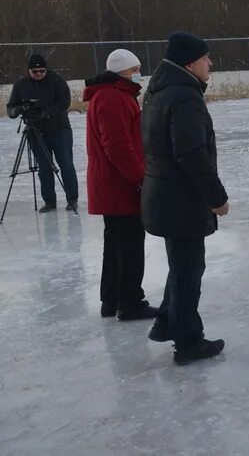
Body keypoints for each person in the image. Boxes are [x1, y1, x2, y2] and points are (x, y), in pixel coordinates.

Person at [142, 32, 229, 366]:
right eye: (206, 58)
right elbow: (192, 155)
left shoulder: (159, 91)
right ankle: (188, 340)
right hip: (180, 199)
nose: (211, 63)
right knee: (189, 268)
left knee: (181, 265)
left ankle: (168, 320)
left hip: (164, 196)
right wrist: (217, 198)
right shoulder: (184, 97)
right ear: (190, 63)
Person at [84, 49, 158, 321]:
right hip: (119, 186)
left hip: (114, 184)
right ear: (124, 71)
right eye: (135, 69)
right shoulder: (112, 97)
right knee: (128, 244)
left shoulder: (112, 94)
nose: (138, 73)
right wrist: (140, 179)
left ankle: (111, 298)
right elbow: (117, 146)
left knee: (116, 242)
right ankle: (129, 301)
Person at [5, 54, 79, 212]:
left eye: (42, 71)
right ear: (29, 71)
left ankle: (72, 198)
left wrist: (46, 112)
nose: (39, 74)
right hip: (35, 132)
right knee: (44, 168)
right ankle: (50, 201)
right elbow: (11, 107)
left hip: (59, 130)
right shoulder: (21, 84)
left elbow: (64, 102)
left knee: (66, 165)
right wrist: (16, 111)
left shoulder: (56, 80)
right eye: (35, 71)